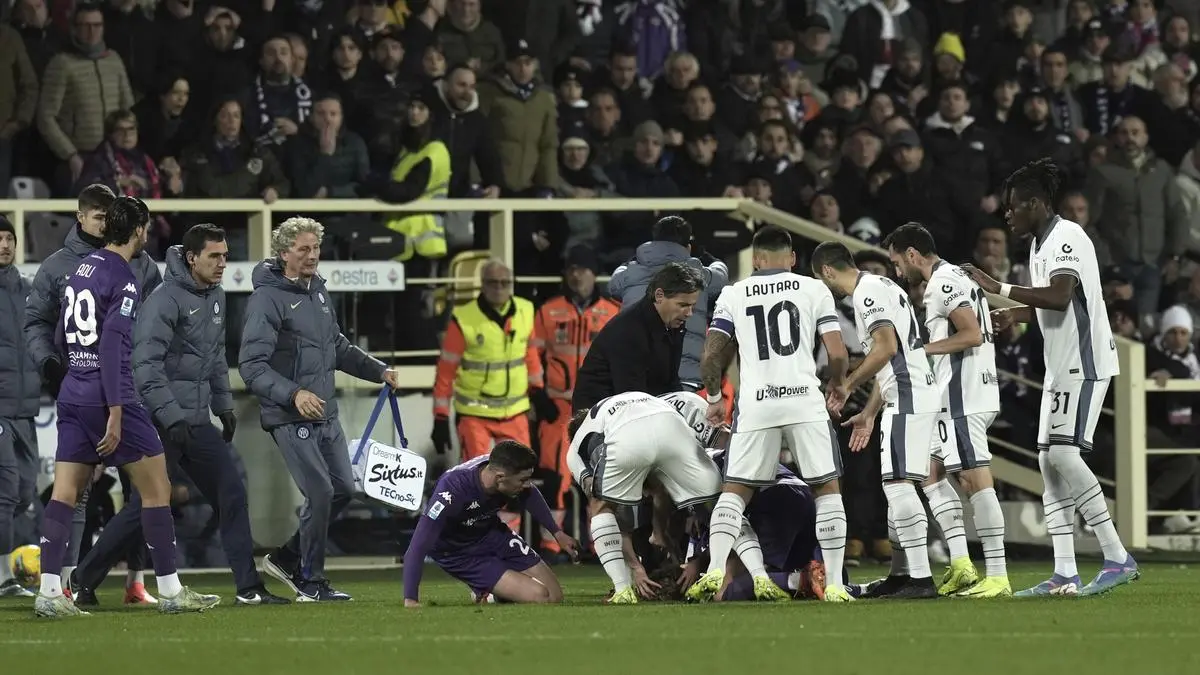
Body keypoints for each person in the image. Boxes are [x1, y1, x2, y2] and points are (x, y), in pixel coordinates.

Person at [33, 196, 220, 618]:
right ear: (137, 230)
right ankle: (170, 590)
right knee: (157, 488)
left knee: (64, 493)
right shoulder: (124, 277)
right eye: (146, 227)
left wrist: (74, 373)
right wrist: (116, 409)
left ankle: (49, 592)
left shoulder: (81, 268)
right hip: (108, 395)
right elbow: (114, 345)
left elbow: (61, 333)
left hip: (73, 391)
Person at [964, 157, 1139, 597]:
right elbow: (1053, 303)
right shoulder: (1039, 244)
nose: (1008, 214)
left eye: (1014, 206)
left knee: (1063, 454)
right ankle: (1064, 572)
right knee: (1048, 461)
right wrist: (1017, 313)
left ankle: (1117, 556)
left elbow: (1061, 297)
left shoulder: (1067, 236)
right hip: (1060, 366)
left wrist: (999, 289)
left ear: (1037, 204)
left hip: (1085, 362)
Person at [687, 225, 852, 603]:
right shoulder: (814, 289)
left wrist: (715, 397)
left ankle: (715, 570)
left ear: (756, 259)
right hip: (804, 401)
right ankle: (836, 585)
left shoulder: (734, 293)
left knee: (735, 492)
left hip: (757, 404)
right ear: (792, 258)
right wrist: (838, 383)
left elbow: (711, 356)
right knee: (827, 490)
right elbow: (838, 353)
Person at [239, 217, 400, 602]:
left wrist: (378, 370)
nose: (312, 256)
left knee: (343, 489)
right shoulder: (266, 299)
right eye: (303, 250)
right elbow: (251, 366)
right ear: (284, 253)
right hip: (290, 415)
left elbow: (337, 346)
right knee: (321, 491)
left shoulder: (318, 292)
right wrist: (294, 394)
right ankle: (310, 581)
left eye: (315, 248)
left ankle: (287, 558)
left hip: (325, 413)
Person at [126, 224, 287, 605]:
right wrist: (171, 416)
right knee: (143, 508)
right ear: (191, 258)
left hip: (196, 420)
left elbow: (214, 358)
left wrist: (223, 406)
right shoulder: (164, 300)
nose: (222, 263)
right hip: (160, 420)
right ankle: (84, 577)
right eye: (214, 256)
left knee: (232, 493)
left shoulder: (215, 296)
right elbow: (145, 366)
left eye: (225, 256)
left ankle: (248, 588)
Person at [24, 183, 162, 600]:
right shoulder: (59, 266)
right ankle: (72, 582)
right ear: (80, 217)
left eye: (109, 217)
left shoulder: (139, 264)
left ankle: (132, 579)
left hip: (119, 386)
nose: (105, 224)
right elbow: (38, 323)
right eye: (99, 217)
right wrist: (49, 363)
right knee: (86, 492)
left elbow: (154, 321)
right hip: (96, 390)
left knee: (132, 492)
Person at [884, 222, 1012, 599]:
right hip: (958, 393)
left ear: (912, 254)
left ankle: (998, 575)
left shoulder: (942, 281)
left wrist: (922, 351)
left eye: (897, 263)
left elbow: (971, 333)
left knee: (974, 480)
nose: (898, 272)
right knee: (929, 472)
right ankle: (961, 564)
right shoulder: (956, 276)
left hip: (963, 395)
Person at [812, 240, 942, 600]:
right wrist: (869, 412)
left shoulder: (866, 293)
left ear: (827, 271)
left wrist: (847, 384)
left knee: (899, 485)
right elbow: (888, 358)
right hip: (905, 392)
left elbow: (887, 348)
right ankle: (900, 575)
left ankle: (920, 579)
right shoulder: (882, 285)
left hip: (909, 395)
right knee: (895, 484)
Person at [566, 391, 723, 604]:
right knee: (725, 499)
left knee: (601, 507)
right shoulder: (632, 405)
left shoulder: (578, 450)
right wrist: (660, 532)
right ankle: (747, 570)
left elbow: (606, 509)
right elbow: (660, 490)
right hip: (674, 427)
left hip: (632, 439)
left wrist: (635, 568)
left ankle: (622, 589)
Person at [401, 441, 579, 606]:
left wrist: (557, 533)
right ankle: (487, 590)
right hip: (459, 552)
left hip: (491, 533)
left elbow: (530, 494)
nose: (527, 485)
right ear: (500, 478)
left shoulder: (500, 469)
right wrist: (411, 599)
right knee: (540, 595)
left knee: (555, 596)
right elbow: (417, 547)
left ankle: (493, 591)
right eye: (523, 480)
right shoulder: (451, 491)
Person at [530, 245, 621, 554]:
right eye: (571, 269)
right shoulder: (548, 310)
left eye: (582, 269)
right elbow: (531, 354)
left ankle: (600, 546)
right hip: (556, 408)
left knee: (598, 478)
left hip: (597, 410)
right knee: (554, 478)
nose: (576, 275)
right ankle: (550, 546)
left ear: (594, 273)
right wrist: (537, 392)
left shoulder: (612, 312)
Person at [431, 259, 541, 460]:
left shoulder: (525, 311)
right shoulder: (464, 318)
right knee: (477, 473)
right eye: (492, 282)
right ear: (482, 284)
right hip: (475, 414)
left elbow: (531, 358)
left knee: (519, 472)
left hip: (514, 412)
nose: (499, 288)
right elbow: (446, 371)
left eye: (504, 282)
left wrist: (538, 391)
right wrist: (441, 415)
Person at [608, 215, 729, 392]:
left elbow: (613, 285)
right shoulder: (698, 273)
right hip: (684, 380)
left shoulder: (629, 273)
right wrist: (705, 256)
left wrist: (638, 257)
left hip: (635, 379)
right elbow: (721, 276)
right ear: (688, 247)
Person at [572, 262, 704, 413]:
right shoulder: (629, 331)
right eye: (682, 305)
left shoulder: (673, 323)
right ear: (659, 296)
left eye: (692, 306)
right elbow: (632, 398)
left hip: (632, 406)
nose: (689, 313)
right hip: (597, 414)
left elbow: (671, 382)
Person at [0, 217, 39, 598]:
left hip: (26, 410)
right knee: (7, 489)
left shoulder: (29, 291)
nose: (4, 245)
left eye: (9, 238)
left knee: (26, 491)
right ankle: (3, 577)